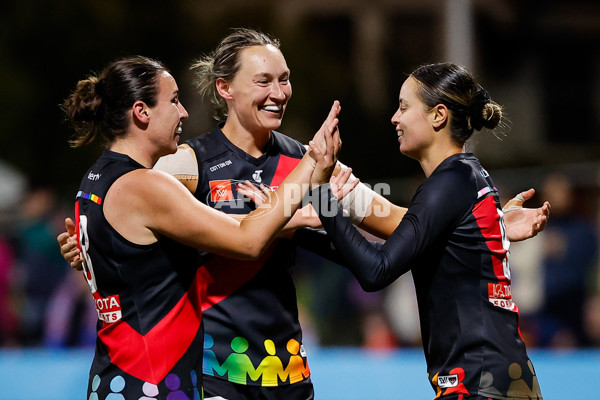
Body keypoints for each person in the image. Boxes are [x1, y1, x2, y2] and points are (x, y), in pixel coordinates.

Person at [58, 30, 549, 400]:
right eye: (264, 80)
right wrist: (87, 247)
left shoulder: (309, 159)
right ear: (225, 89)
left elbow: (405, 223)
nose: (279, 91)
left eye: (285, 79)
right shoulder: (187, 163)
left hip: (285, 369)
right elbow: (126, 229)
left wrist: (488, 227)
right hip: (211, 370)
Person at [60, 55, 342, 400]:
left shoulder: (95, 180)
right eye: (174, 100)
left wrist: (288, 221)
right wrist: (310, 162)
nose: (184, 113)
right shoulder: (147, 186)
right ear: (141, 111)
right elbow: (247, 242)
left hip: (118, 378)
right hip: (156, 385)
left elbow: (194, 227)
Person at [308, 62, 545, 399]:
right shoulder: (467, 178)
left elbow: (376, 271)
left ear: (438, 115)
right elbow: (374, 259)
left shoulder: (448, 183)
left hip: (480, 384)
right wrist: (300, 233)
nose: (395, 118)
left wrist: (322, 195)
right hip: (501, 379)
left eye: (404, 107)